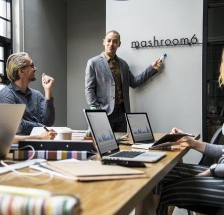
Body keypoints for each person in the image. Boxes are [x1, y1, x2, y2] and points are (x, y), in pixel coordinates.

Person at [135, 49, 224, 215]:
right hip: (219, 171)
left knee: (164, 188)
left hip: (220, 176)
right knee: (156, 174)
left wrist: (209, 171)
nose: (221, 66)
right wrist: (192, 142)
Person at [85, 30, 163, 132]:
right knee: (102, 144)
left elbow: (134, 82)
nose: (111, 44)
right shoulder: (93, 62)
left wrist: (152, 68)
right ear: (103, 41)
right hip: (104, 111)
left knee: (121, 144)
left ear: (119, 44)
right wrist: (96, 109)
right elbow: (89, 89)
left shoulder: (123, 64)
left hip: (122, 111)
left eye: (115, 41)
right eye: (108, 41)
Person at [0, 52, 55, 135]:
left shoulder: (37, 95)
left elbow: (49, 122)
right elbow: (17, 126)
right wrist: (43, 127)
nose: (35, 69)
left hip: (39, 144)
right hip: (20, 147)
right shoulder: (6, 95)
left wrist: (48, 90)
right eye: (32, 65)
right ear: (21, 71)